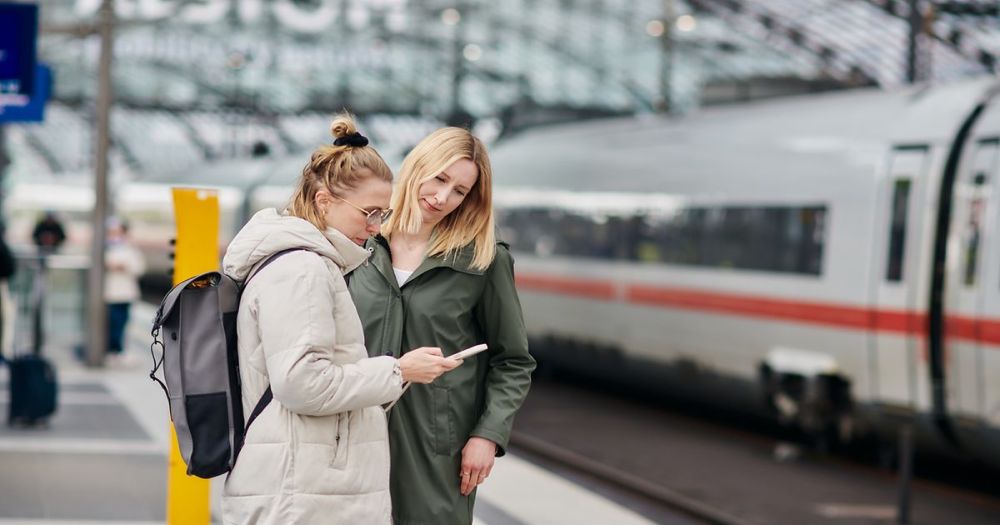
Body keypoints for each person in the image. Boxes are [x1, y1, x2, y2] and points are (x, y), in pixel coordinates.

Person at [220, 114, 459, 525]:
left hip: (310, 483)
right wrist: (399, 370)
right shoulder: (303, 269)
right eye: (368, 213)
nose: (374, 227)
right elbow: (301, 384)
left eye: (381, 215)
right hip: (303, 492)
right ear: (324, 201)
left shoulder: (314, 265)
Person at [349, 127, 537, 525]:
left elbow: (513, 361)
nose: (443, 198)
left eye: (460, 191)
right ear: (417, 166)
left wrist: (488, 435)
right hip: (350, 431)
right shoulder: (360, 241)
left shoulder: (483, 258)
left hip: (436, 448)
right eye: (439, 178)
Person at [103, 218, 145, 366]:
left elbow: (139, 268)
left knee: (121, 323)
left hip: (125, 293)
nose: (114, 235)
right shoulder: (103, 248)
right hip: (108, 294)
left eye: (117, 232)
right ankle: (110, 350)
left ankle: (117, 351)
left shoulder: (130, 248)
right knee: (110, 323)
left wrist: (124, 266)